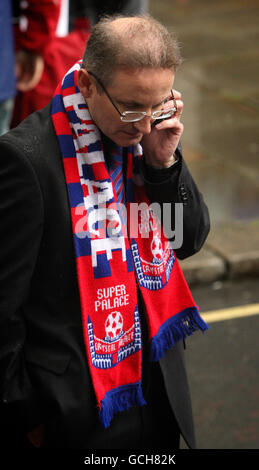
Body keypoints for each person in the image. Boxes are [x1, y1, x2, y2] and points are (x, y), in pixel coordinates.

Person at [0, 14, 210, 449]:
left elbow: (185, 241)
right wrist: (27, 416)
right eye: (133, 108)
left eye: (158, 106)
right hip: (72, 410)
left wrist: (163, 166)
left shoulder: (148, 133)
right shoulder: (26, 162)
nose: (144, 124)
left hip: (154, 395)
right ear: (88, 85)